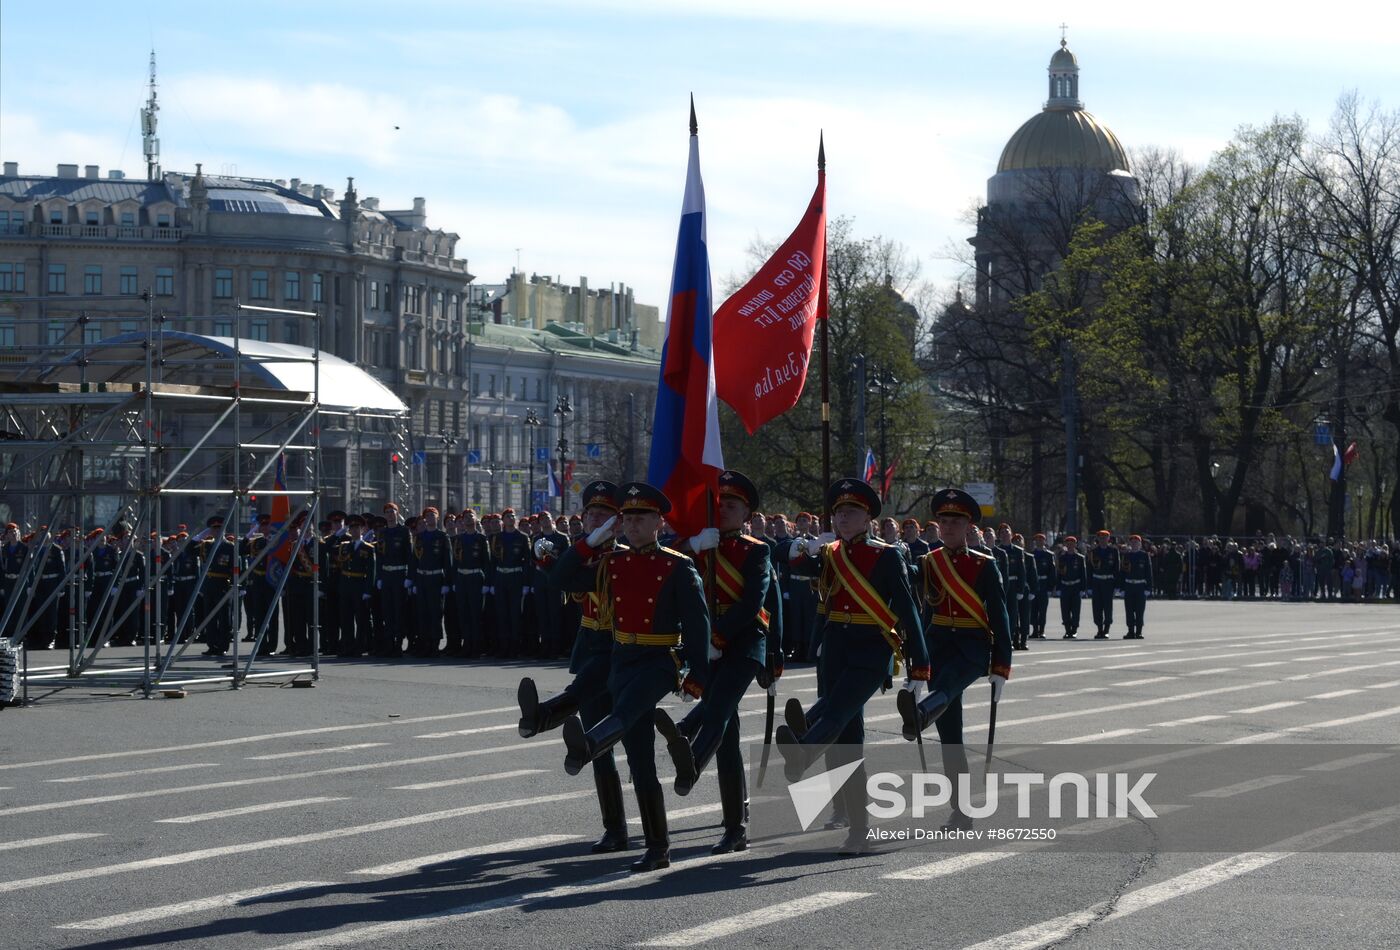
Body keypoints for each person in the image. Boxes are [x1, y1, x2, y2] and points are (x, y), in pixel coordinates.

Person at [555, 482, 710, 873]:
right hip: (622, 659)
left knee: (627, 708)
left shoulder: (677, 564)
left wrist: (697, 677)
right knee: (641, 762)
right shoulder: (612, 563)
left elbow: (697, 625)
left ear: (659, 522)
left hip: (659, 660)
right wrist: (591, 541)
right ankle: (658, 847)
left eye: (642, 517)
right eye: (628, 518)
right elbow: (561, 578)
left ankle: (589, 744)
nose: (634, 524)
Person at [775, 478, 929, 854]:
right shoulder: (829, 553)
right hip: (836, 649)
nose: (844, 518)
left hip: (871, 650)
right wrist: (799, 545)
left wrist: (920, 665)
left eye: (852, 512)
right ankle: (858, 829)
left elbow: (909, 609)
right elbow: (782, 557)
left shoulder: (887, 555)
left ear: (868, 518)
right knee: (847, 744)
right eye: (839, 512)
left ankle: (803, 750)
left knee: (838, 708)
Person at [655, 470, 782, 855]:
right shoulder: (696, 546)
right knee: (727, 739)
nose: (724, 509)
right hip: (706, 645)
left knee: (720, 709)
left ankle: (689, 762)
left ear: (746, 513)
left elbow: (752, 604)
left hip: (743, 643)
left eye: (733, 505)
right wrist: (693, 544)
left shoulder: (755, 550)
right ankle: (735, 827)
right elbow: (666, 577)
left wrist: (718, 636)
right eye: (720, 502)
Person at [517, 481, 631, 854]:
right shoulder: (580, 554)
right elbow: (559, 578)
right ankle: (615, 828)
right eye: (589, 514)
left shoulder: (626, 557)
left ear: (616, 522)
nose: (593, 520)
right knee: (598, 749)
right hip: (592, 648)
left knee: (638, 747)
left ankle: (544, 716)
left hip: (624, 651)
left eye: (602, 515)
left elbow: (572, 577)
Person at [899, 487, 1012, 831]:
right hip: (939, 647)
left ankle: (920, 714)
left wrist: (1001, 667)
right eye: (943, 521)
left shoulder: (984, 564)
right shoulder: (928, 562)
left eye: (955, 521)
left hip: (972, 647)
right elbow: (913, 601)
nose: (947, 527)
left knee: (947, 687)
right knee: (951, 735)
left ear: (968, 526)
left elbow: (1001, 616)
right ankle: (960, 810)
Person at [409, 507, 453, 657]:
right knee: (422, 612)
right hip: (421, 578)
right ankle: (424, 643)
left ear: (437, 518)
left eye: (432, 515)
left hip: (436, 579)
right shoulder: (419, 537)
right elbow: (414, 559)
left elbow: (448, 561)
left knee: (435, 612)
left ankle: (434, 644)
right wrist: (412, 581)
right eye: (427, 515)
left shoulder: (442, 536)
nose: (430, 518)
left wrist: (447, 582)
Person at [451, 509, 492, 658]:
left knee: (475, 614)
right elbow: (455, 561)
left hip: (475, 577)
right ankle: (466, 644)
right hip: (462, 578)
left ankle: (476, 646)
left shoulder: (481, 538)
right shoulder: (458, 539)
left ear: (476, 520)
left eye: (470, 516)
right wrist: (454, 581)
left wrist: (487, 582)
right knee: (463, 613)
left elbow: (486, 562)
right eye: (465, 517)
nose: (468, 519)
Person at [491, 509, 531, 658]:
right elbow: (492, 562)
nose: (511, 518)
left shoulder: (522, 537)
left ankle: (515, 646)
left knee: (515, 613)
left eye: (513, 516)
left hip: (516, 577)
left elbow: (527, 561)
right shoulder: (497, 538)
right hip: (501, 577)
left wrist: (526, 583)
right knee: (502, 613)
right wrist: (491, 583)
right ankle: (504, 646)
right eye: (508, 516)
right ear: (503, 520)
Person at [336, 515, 377, 657]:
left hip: (360, 585)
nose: (354, 531)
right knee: (345, 618)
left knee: (361, 619)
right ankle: (347, 646)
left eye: (357, 528)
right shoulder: (344, 546)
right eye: (352, 528)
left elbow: (371, 571)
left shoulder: (368, 548)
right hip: (346, 585)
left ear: (362, 529)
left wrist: (368, 590)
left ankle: (359, 647)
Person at [1087, 529, 1120, 638]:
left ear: (1108, 539)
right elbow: (1089, 570)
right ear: (1098, 539)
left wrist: (1116, 586)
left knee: (1107, 606)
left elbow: (1116, 569)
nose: (1102, 540)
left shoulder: (1113, 551)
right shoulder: (1093, 552)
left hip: (1108, 581)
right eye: (1100, 538)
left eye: (1105, 537)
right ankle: (1099, 629)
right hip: (1096, 581)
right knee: (1097, 606)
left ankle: (1106, 629)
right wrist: (1089, 586)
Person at [1121, 534, 1152, 639]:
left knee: (1139, 610)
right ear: (1130, 544)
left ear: (1140, 544)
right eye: (1132, 542)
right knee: (1129, 610)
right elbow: (1123, 573)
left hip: (1140, 586)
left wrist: (1148, 588)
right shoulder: (1127, 555)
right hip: (1129, 585)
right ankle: (1130, 631)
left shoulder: (1144, 555)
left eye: (1136, 542)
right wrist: (1122, 588)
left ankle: (1139, 631)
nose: (1134, 544)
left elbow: (1149, 573)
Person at [1058, 537, 1086, 638]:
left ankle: (1074, 630)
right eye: (1068, 543)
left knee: (1075, 609)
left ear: (1075, 545)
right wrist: (1058, 588)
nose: (1070, 545)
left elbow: (1083, 574)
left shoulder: (1080, 558)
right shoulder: (1062, 557)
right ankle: (1067, 630)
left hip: (1076, 586)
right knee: (1065, 609)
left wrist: (1083, 589)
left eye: (1072, 543)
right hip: (1065, 586)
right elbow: (1059, 574)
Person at [1029, 533, 1055, 639]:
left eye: (1041, 540)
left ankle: (1042, 630)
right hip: (1034, 585)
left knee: (1042, 609)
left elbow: (1052, 573)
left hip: (1044, 584)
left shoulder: (1049, 555)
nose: (1039, 542)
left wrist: (1050, 588)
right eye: (1037, 540)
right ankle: (1035, 630)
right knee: (1033, 608)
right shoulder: (1031, 554)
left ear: (1045, 541)